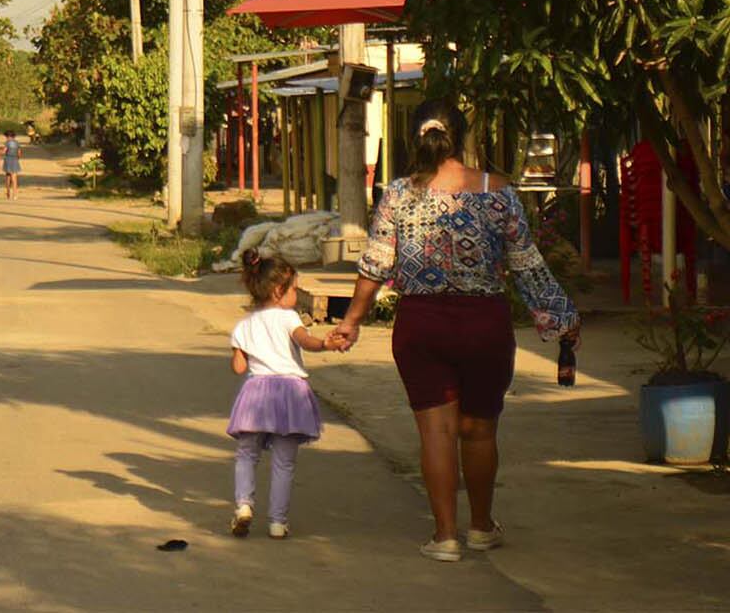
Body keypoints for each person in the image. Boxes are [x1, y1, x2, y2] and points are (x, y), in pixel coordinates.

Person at [332, 99, 579, 563]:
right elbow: (528, 266)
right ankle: (482, 527)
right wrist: (561, 319)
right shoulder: (499, 192)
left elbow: (375, 266)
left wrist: (351, 322)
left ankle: (445, 536)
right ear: (461, 136)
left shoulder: (399, 195)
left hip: (421, 325)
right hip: (484, 324)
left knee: (437, 434)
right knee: (480, 432)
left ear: (414, 137)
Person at [227, 249, 345, 540]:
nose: (296, 294)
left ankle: (243, 506)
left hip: (257, 392)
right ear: (279, 291)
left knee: (246, 454)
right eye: (294, 288)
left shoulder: (244, 326)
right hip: (291, 393)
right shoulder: (289, 317)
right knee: (284, 462)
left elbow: (239, 368)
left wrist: (240, 348)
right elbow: (304, 341)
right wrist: (325, 343)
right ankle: (278, 523)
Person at [1, 130, 22, 199]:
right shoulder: (17, 143)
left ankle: (8, 193)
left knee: (8, 177)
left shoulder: (7, 143)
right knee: (14, 178)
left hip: (8, 159)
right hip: (15, 159)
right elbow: (19, 153)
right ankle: (15, 194)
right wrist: (17, 158)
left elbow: (4, 151)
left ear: (8, 136)